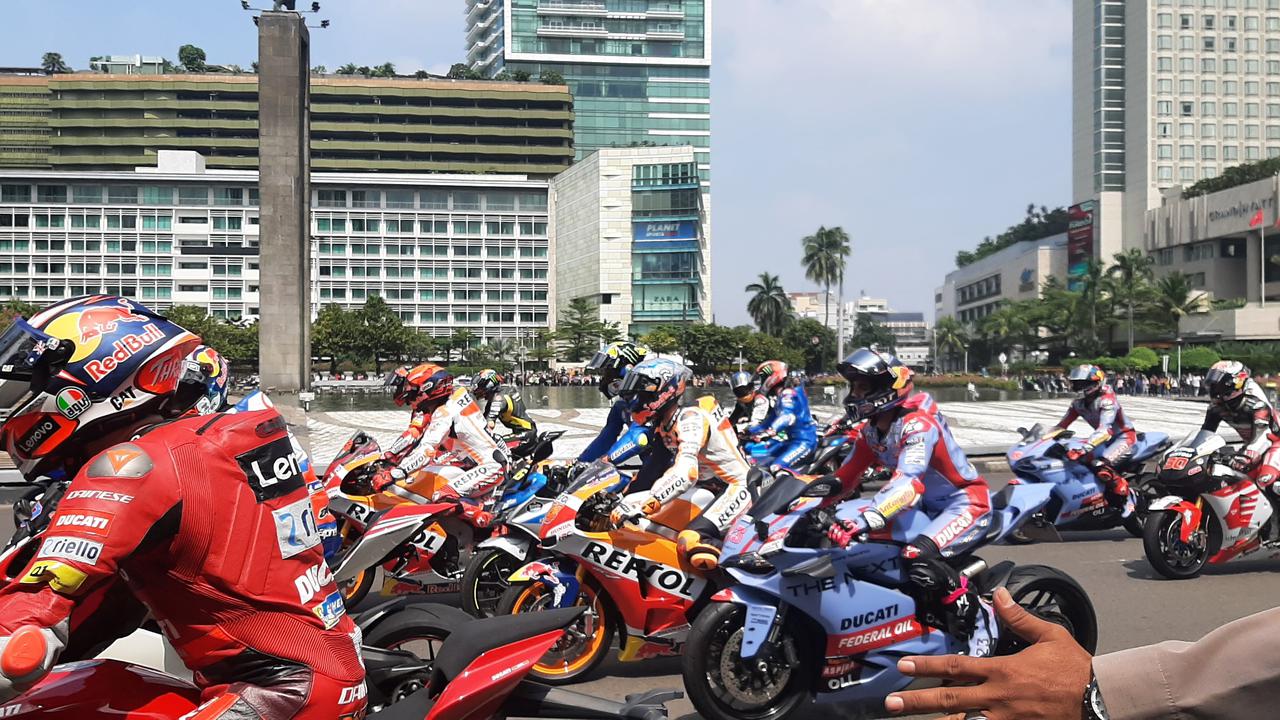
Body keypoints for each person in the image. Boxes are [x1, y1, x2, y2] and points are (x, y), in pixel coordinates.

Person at [0, 296, 365, 717]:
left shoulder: (131, 465)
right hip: (322, 676)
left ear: (93, 375)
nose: (17, 401)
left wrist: (22, 635)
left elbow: (36, 605)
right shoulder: (223, 438)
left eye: (34, 384)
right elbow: (112, 606)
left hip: (273, 692)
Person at [884, 587, 1280, 720]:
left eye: (868, 385)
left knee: (922, 564)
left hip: (953, 507)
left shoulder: (917, 418)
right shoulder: (869, 426)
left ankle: (975, 624)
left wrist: (1100, 693)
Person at [827, 348, 993, 642]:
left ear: (885, 389)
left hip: (965, 503)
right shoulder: (872, 432)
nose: (854, 394)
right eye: (853, 387)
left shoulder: (917, 425)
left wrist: (867, 519)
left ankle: (977, 626)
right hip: (929, 507)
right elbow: (845, 477)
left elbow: (908, 483)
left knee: (916, 558)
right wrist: (801, 503)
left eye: (863, 387)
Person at [609, 358, 753, 570]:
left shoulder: (690, 418)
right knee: (633, 512)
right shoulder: (664, 425)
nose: (635, 400)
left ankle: (728, 592)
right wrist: (620, 497)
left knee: (692, 540)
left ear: (663, 391)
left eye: (642, 394)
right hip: (708, 490)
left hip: (737, 487)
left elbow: (687, 473)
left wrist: (648, 503)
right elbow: (653, 469)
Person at [378, 363, 507, 515]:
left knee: (441, 496)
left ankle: (484, 516)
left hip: (491, 467)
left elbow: (426, 451)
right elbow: (417, 435)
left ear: (428, 389)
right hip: (478, 461)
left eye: (413, 391)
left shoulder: (444, 413)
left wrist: (396, 473)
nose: (408, 398)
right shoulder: (456, 395)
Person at [577, 342, 672, 491]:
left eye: (608, 372)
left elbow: (638, 438)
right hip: (650, 470)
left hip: (669, 473)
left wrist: (606, 461)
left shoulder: (650, 403)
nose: (604, 378)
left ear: (626, 370)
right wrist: (581, 463)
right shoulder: (621, 405)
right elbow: (606, 436)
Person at [1044, 364, 1137, 513]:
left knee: (1098, 465)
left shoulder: (1107, 401)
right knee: (1074, 461)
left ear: (1095, 383)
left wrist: (1084, 448)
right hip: (1104, 439)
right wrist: (1042, 439)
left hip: (1123, 437)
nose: (1078, 387)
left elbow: (1105, 430)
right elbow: (1062, 425)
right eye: (1076, 383)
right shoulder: (1078, 403)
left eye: (1083, 384)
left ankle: (1125, 493)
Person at [1202, 360, 1280, 502]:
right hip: (1252, 443)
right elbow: (1206, 433)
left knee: (1266, 480)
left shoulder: (1255, 403)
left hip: (1274, 441)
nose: (1214, 389)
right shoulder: (1216, 407)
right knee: (1236, 481)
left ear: (1235, 382)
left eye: (1218, 384)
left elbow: (1263, 435)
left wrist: (1246, 457)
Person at [745, 360, 818, 471]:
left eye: (763, 377)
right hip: (791, 441)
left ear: (772, 376)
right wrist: (748, 431)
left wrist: (771, 431)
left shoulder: (788, 393)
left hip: (804, 442)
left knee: (776, 468)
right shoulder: (780, 397)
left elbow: (787, 417)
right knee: (757, 459)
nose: (761, 381)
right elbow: (768, 422)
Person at [473, 368, 537, 443]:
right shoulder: (504, 391)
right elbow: (483, 419)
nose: (479, 391)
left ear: (489, 384)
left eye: (481, 388)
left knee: (496, 445)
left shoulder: (499, 399)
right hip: (524, 431)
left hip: (526, 433)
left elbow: (489, 424)